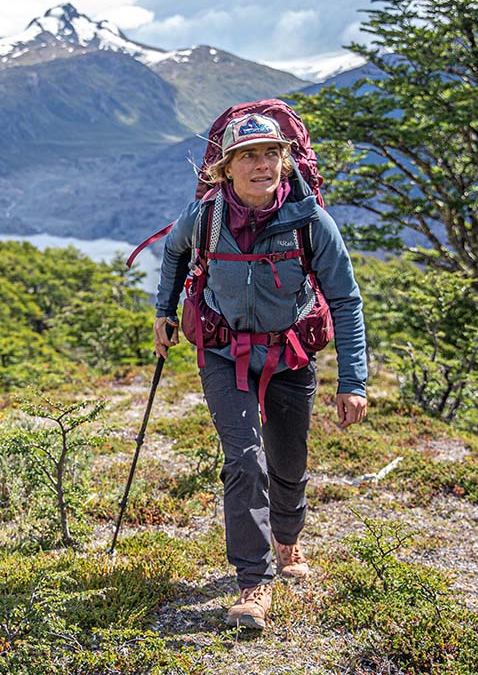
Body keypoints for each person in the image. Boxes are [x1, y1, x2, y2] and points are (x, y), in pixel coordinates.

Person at [152, 111, 368, 630]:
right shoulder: (204, 218)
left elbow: (346, 299)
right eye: (247, 155)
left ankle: (288, 544)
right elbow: (175, 252)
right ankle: (253, 583)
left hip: (290, 354)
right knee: (245, 461)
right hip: (224, 354)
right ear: (225, 169)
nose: (261, 164)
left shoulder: (310, 221)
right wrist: (164, 310)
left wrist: (353, 381)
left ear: (285, 160)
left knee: (287, 464)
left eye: (271, 153)